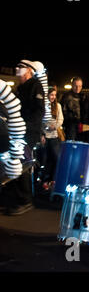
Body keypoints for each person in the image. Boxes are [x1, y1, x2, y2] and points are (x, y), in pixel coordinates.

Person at [2, 60, 45, 215]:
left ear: (29, 70)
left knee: (21, 163)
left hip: (27, 132)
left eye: (20, 67)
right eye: (17, 66)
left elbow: (38, 111)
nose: (17, 68)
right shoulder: (19, 88)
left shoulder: (35, 85)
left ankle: (25, 200)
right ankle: (13, 198)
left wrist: (26, 128)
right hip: (15, 131)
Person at [41, 87, 64, 190]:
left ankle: (53, 179)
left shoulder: (57, 106)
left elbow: (60, 119)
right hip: (45, 136)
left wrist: (55, 126)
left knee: (56, 158)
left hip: (54, 135)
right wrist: (43, 131)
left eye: (54, 95)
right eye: (51, 95)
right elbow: (40, 121)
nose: (53, 97)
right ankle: (45, 180)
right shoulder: (43, 106)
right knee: (46, 159)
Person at [60, 76, 84, 141]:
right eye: (75, 86)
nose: (77, 88)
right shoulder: (66, 97)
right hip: (70, 126)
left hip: (82, 126)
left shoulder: (83, 97)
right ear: (72, 85)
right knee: (71, 143)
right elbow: (63, 112)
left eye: (79, 86)